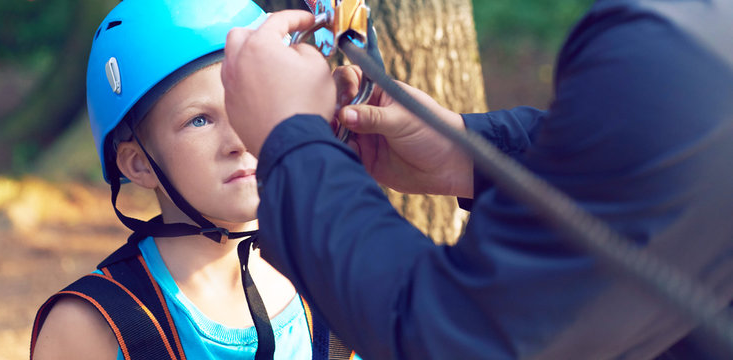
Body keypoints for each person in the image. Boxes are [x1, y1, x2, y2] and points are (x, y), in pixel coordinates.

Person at [220, 0, 733, 359]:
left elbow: (462, 336)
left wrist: (294, 141)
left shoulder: (678, 49)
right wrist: (473, 153)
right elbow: (654, 179)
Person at [30, 1, 355, 359]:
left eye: (250, 104)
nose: (239, 140)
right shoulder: (90, 327)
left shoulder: (339, 288)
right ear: (139, 165)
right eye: (200, 120)